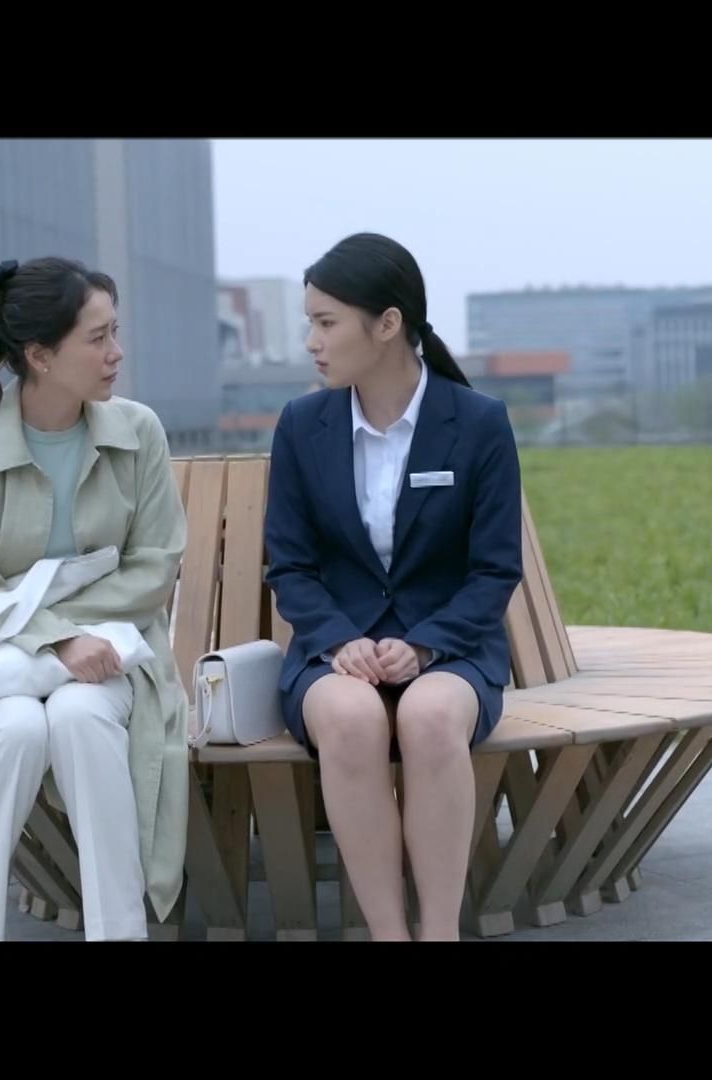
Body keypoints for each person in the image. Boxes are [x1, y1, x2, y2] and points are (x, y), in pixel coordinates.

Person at [0, 256, 189, 942]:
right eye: (97, 337)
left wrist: (70, 633)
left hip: (113, 658)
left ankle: (119, 932)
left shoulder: (138, 431)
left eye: (115, 331)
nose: (116, 352)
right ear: (39, 355)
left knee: (81, 716)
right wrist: (57, 639)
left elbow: (154, 567)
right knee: (15, 729)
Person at [263, 232, 525, 941]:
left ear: (386, 324)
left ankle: (438, 932)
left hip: (453, 649)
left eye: (326, 323)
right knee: (351, 719)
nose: (312, 342)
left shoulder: (478, 424)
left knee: (431, 717)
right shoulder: (301, 427)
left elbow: (495, 570)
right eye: (310, 323)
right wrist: (338, 640)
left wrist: (426, 645)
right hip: (333, 654)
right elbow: (289, 567)